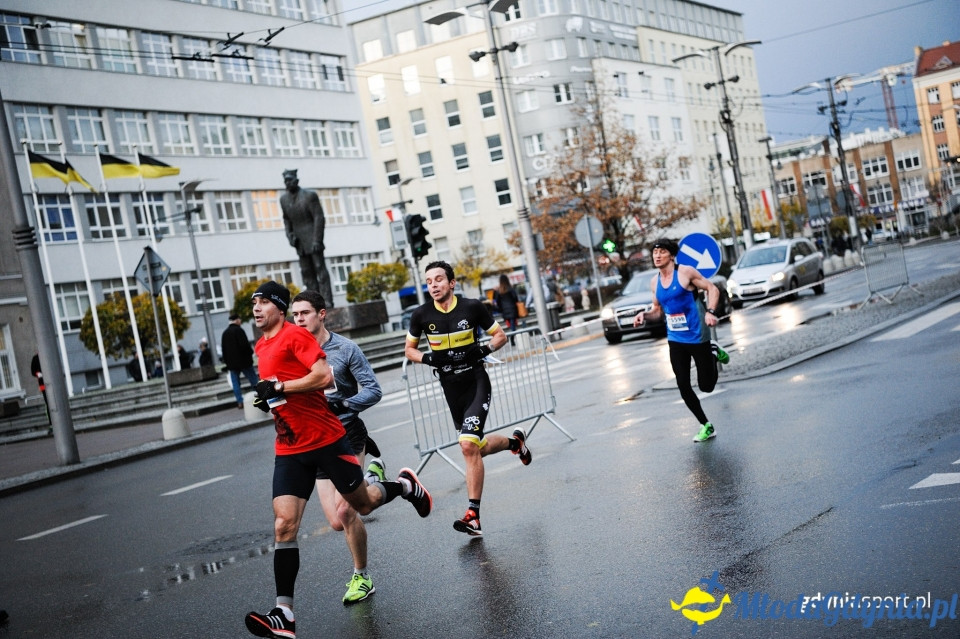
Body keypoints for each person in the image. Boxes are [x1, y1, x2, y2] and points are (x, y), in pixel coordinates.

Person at [245, 281, 432, 639]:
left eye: (264, 302)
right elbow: (280, 388)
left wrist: (281, 388)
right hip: (289, 447)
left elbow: (323, 375)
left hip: (328, 441)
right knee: (285, 524)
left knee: (361, 504)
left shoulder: (297, 337)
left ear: (279, 309)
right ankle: (284, 613)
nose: (256, 308)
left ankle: (404, 486)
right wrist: (268, 397)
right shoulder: (262, 345)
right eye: (254, 302)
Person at [404, 261, 531, 537]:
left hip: (476, 381)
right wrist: (428, 358)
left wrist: (483, 350)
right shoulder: (421, 315)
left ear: (452, 283)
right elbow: (409, 350)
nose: (433, 285)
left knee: (466, 445)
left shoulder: (472, 307)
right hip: (451, 387)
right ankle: (515, 442)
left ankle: (473, 515)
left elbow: (500, 336)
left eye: (439, 279)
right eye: (429, 281)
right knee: (476, 448)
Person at [290, 290, 386, 605]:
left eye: (304, 313)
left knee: (347, 511)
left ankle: (362, 577)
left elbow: (373, 389)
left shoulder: (345, 349)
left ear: (322, 314)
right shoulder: (292, 352)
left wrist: (345, 403)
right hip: (316, 440)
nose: (299, 319)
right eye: (295, 315)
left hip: (347, 433)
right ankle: (373, 477)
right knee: (335, 521)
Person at [633, 239, 729, 443]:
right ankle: (706, 425)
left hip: (697, 334)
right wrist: (644, 315)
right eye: (654, 252)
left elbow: (713, 289)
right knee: (683, 385)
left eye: (661, 251)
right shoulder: (654, 282)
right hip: (675, 338)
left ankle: (712, 352)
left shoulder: (685, 272)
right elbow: (658, 312)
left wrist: (710, 312)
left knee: (707, 387)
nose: (657, 255)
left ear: (672, 255)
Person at [279, 169, 334, 306]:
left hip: (313, 237)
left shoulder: (309, 195)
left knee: (320, 269)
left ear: (296, 180)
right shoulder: (283, 200)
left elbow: (318, 217)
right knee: (306, 272)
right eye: (286, 181)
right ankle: (313, 302)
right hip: (299, 242)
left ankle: (327, 300)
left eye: (290, 180)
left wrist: (317, 239)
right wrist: (290, 236)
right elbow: (287, 220)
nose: (288, 183)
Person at [222, 314, 260, 409]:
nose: (241, 321)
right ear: (237, 320)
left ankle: (240, 402)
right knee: (253, 379)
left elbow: (224, 350)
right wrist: (251, 352)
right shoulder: (239, 330)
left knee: (235, 383)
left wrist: (227, 363)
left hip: (232, 364)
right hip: (244, 361)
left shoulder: (225, 333)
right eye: (240, 319)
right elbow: (245, 346)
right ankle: (261, 396)